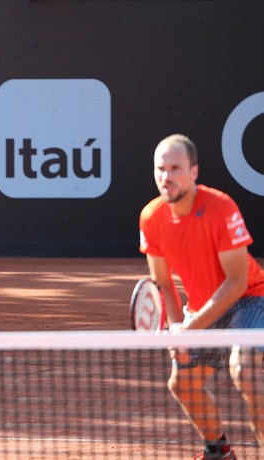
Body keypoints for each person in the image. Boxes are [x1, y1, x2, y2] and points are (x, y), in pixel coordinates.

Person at [139, 134, 264, 460]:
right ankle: (219, 451)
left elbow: (237, 281)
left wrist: (190, 329)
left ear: (194, 172)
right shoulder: (151, 218)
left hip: (250, 297)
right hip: (201, 308)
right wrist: (177, 328)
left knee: (246, 369)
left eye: (176, 168)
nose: (167, 177)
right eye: (161, 169)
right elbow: (164, 283)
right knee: (182, 385)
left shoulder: (221, 208)